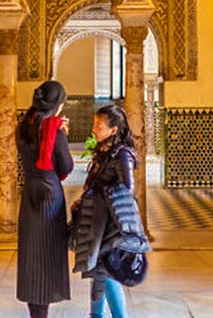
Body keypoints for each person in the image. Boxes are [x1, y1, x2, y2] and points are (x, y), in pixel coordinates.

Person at [71, 103, 146, 318]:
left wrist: (96, 194)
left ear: (113, 130)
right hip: (98, 221)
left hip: (111, 224)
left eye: (99, 125)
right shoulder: (103, 151)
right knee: (99, 271)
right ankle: (96, 315)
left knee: (106, 271)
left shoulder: (122, 155)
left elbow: (127, 189)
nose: (94, 129)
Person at [16, 80, 74, 318]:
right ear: (58, 104)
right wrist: (63, 137)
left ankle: (35, 311)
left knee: (31, 253)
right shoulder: (54, 131)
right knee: (48, 253)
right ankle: (43, 309)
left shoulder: (24, 126)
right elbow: (66, 165)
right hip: (49, 194)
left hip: (30, 191)